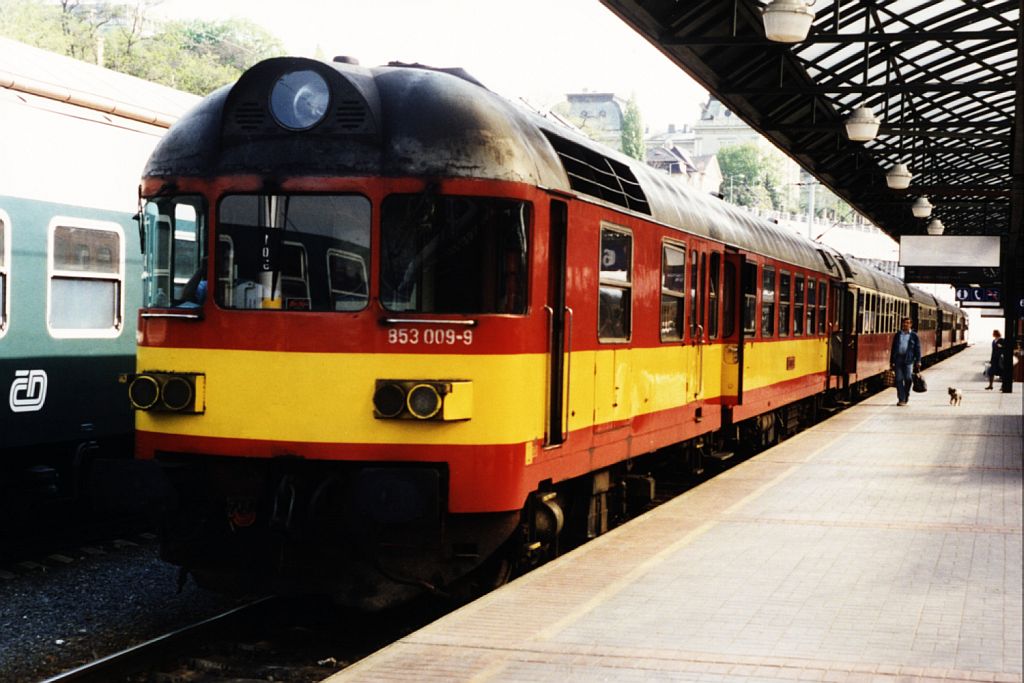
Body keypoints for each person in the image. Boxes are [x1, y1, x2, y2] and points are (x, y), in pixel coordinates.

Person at [890, 317, 921, 406]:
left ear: (910, 325)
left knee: (908, 378)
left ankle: (906, 394)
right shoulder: (898, 335)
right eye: (904, 323)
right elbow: (893, 348)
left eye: (907, 323)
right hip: (898, 359)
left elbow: (917, 348)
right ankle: (901, 399)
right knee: (899, 379)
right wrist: (891, 361)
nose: (905, 324)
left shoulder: (914, 335)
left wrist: (918, 361)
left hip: (909, 359)